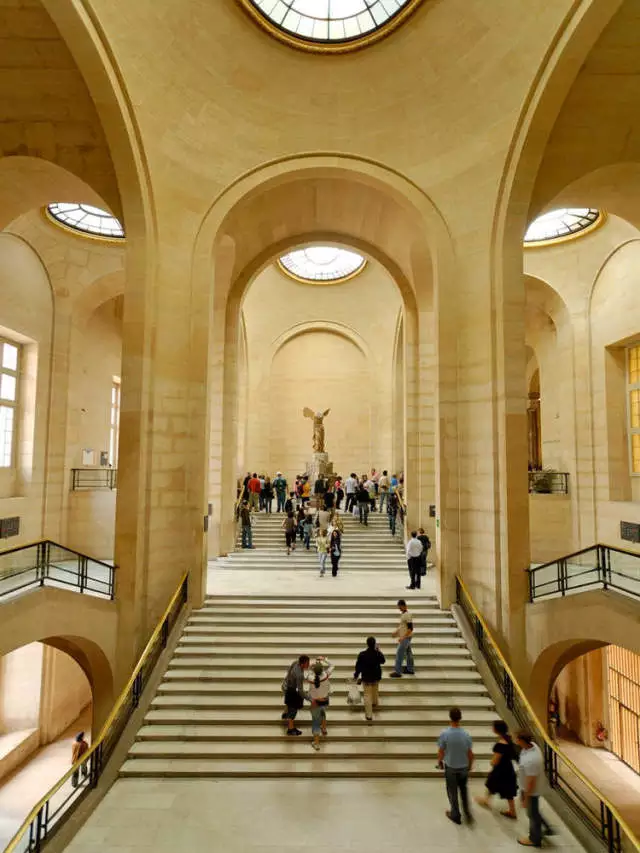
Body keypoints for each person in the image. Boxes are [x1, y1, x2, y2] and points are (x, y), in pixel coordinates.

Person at [516, 732, 554, 847]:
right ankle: (547, 828)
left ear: (522, 741)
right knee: (534, 812)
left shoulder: (532, 760)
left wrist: (526, 798)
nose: (515, 741)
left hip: (531, 790)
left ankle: (534, 839)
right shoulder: (532, 746)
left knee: (532, 814)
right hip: (529, 787)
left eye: (517, 739)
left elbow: (530, 782)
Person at [438, 707, 474, 825]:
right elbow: (470, 753)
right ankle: (467, 813)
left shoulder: (445, 734)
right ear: (460, 718)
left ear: (450, 717)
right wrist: (469, 765)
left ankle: (455, 815)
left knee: (452, 792)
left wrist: (440, 762)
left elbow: (441, 751)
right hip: (463, 767)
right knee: (464, 791)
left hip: (451, 768)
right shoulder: (466, 734)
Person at [475, 720, 518, 819]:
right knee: (494, 785)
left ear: (496, 729)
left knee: (494, 783)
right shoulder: (508, 739)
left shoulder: (501, 744)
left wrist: (492, 762)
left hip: (500, 770)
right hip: (508, 768)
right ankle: (510, 810)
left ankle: (512, 811)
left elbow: (496, 760)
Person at [354, 636, 386, 722]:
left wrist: (356, 675)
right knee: (375, 689)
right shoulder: (377, 653)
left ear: (367, 644)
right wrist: (379, 650)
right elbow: (383, 661)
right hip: (376, 677)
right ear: (374, 644)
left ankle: (369, 715)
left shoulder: (362, 654)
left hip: (366, 678)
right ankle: (375, 702)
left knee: (367, 695)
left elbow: (358, 667)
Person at [281, 655, 310, 736]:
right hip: (292, 690)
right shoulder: (299, 675)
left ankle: (285, 713)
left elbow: (289, 672)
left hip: (286, 685)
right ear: (302, 664)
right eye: (307, 663)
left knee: (289, 703)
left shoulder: (295, 662)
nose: (309, 665)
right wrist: (309, 698)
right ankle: (290, 729)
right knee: (293, 710)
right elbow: (300, 691)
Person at [308, 661, 331, 751]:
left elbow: (309, 672)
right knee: (323, 712)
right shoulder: (326, 675)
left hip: (315, 702)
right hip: (325, 700)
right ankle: (324, 728)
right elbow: (332, 665)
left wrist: (311, 666)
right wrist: (324, 659)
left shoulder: (310, 677)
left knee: (316, 722)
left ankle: (316, 743)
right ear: (322, 670)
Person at [390, 599, 414, 677]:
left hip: (405, 638)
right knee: (408, 653)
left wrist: (403, 637)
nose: (399, 609)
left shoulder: (407, 615)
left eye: (400, 607)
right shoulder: (404, 614)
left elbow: (410, 628)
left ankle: (398, 672)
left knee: (399, 654)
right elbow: (402, 626)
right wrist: (396, 632)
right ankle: (410, 669)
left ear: (403, 606)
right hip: (407, 637)